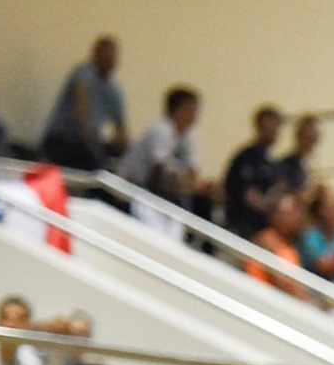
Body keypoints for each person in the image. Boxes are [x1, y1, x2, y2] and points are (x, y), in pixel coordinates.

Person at [117, 86, 219, 237]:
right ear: (176, 110)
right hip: (136, 186)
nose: (195, 115)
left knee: (206, 201)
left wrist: (196, 185)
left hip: (165, 189)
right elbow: (159, 174)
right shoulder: (161, 130)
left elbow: (193, 172)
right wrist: (190, 185)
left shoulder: (190, 134)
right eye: (190, 109)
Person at [41, 36, 127, 170]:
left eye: (114, 55)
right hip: (63, 140)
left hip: (89, 144)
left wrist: (122, 147)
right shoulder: (83, 72)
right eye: (107, 54)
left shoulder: (112, 88)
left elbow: (121, 125)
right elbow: (81, 106)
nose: (111, 59)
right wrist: (88, 137)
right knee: (89, 157)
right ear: (96, 54)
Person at [222, 106, 284, 239]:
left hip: (265, 227)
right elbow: (249, 196)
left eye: (276, 126)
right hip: (243, 225)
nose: (273, 130)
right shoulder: (245, 158)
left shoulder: (272, 163)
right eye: (270, 125)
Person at [246, 192, 314, 301]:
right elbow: (286, 285)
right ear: (273, 216)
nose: (294, 217)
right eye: (288, 213)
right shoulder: (267, 240)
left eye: (296, 212)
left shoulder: (290, 243)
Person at [275, 115, 321, 196]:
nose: (311, 143)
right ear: (298, 137)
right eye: (308, 138)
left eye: (314, 138)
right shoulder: (286, 164)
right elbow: (282, 188)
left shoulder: (311, 163)